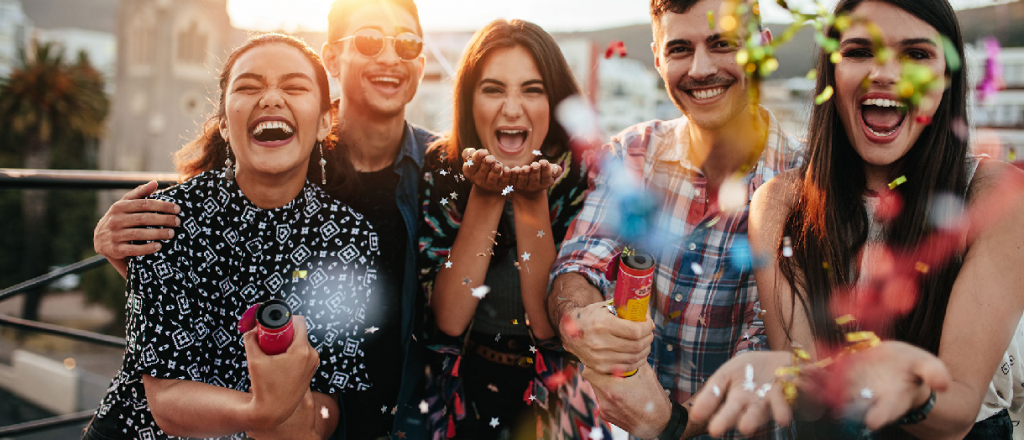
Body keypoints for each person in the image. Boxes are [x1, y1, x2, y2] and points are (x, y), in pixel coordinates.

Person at [92, 0, 435, 437]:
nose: (271, 98)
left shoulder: (352, 236)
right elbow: (166, 400)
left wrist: (286, 409)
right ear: (221, 122)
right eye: (249, 87)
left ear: (325, 122)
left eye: (294, 87)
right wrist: (262, 411)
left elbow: (328, 406)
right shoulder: (167, 217)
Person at [689, 0, 1024, 438]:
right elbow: (810, 394)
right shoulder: (779, 204)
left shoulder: (996, 195)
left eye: (916, 54)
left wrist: (906, 386)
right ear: (831, 74)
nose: (884, 73)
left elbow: (957, 412)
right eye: (859, 51)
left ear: (946, 80)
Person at [546, 0, 805, 438]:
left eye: (722, 44)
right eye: (680, 48)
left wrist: (670, 424)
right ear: (657, 56)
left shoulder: (808, 180)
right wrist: (583, 321)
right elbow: (579, 264)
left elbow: (779, 351)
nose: (701, 69)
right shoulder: (632, 152)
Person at [417, 19, 609, 440]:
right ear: (470, 100)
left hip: (560, 388)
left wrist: (529, 199)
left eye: (532, 89)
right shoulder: (442, 168)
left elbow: (550, 328)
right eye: (493, 89)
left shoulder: (586, 173)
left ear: (555, 101)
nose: (512, 107)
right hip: (465, 383)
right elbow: (448, 317)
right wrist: (486, 196)